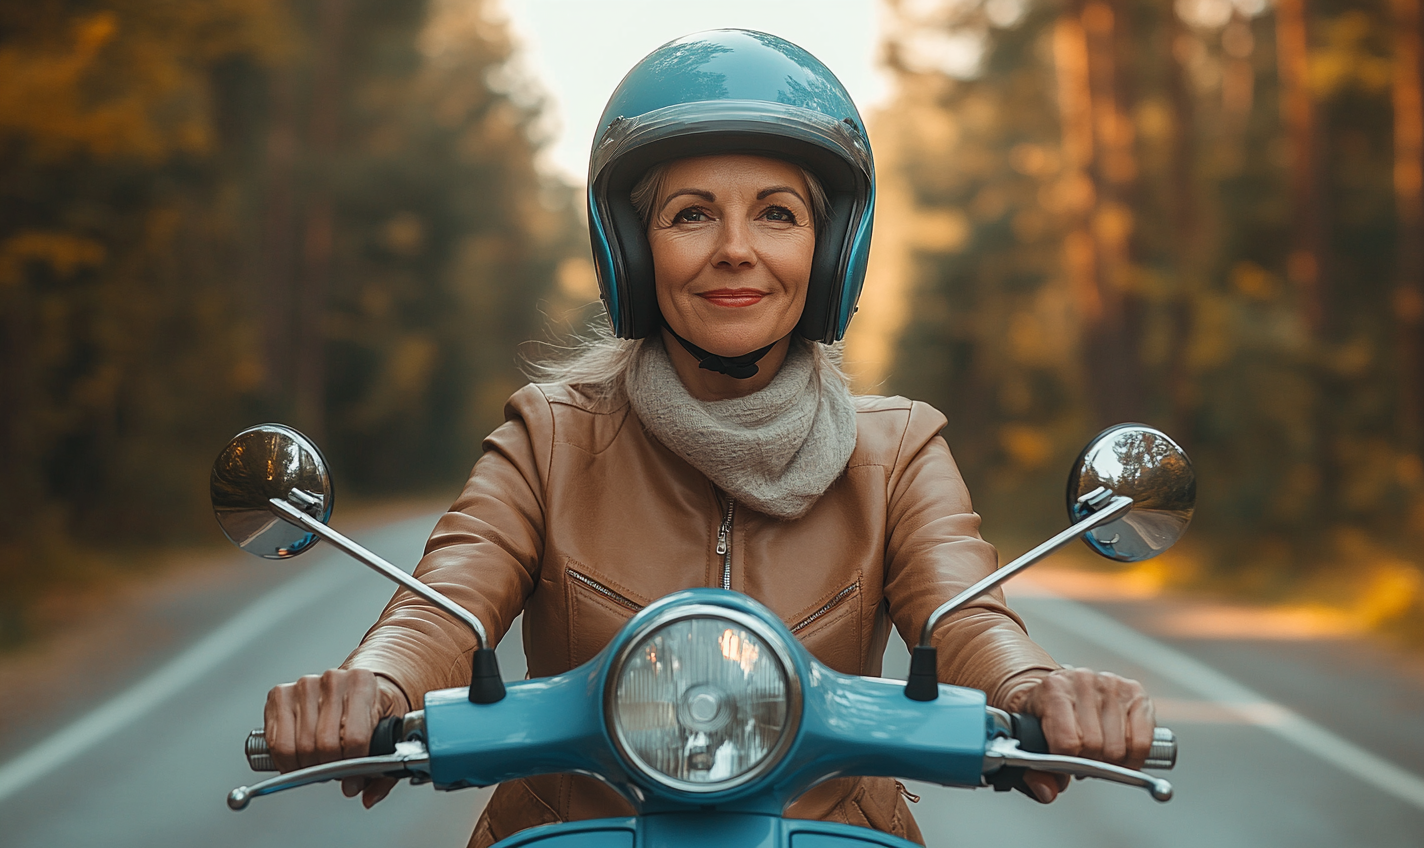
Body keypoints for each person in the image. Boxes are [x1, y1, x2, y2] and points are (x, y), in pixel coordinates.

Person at [260, 30, 1156, 847]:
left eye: (777, 213)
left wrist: (1035, 689)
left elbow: (968, 615)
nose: (735, 248)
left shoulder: (899, 450)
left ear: (830, 248)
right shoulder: (550, 436)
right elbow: (440, 604)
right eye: (691, 214)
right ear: (634, 250)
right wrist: (372, 683)